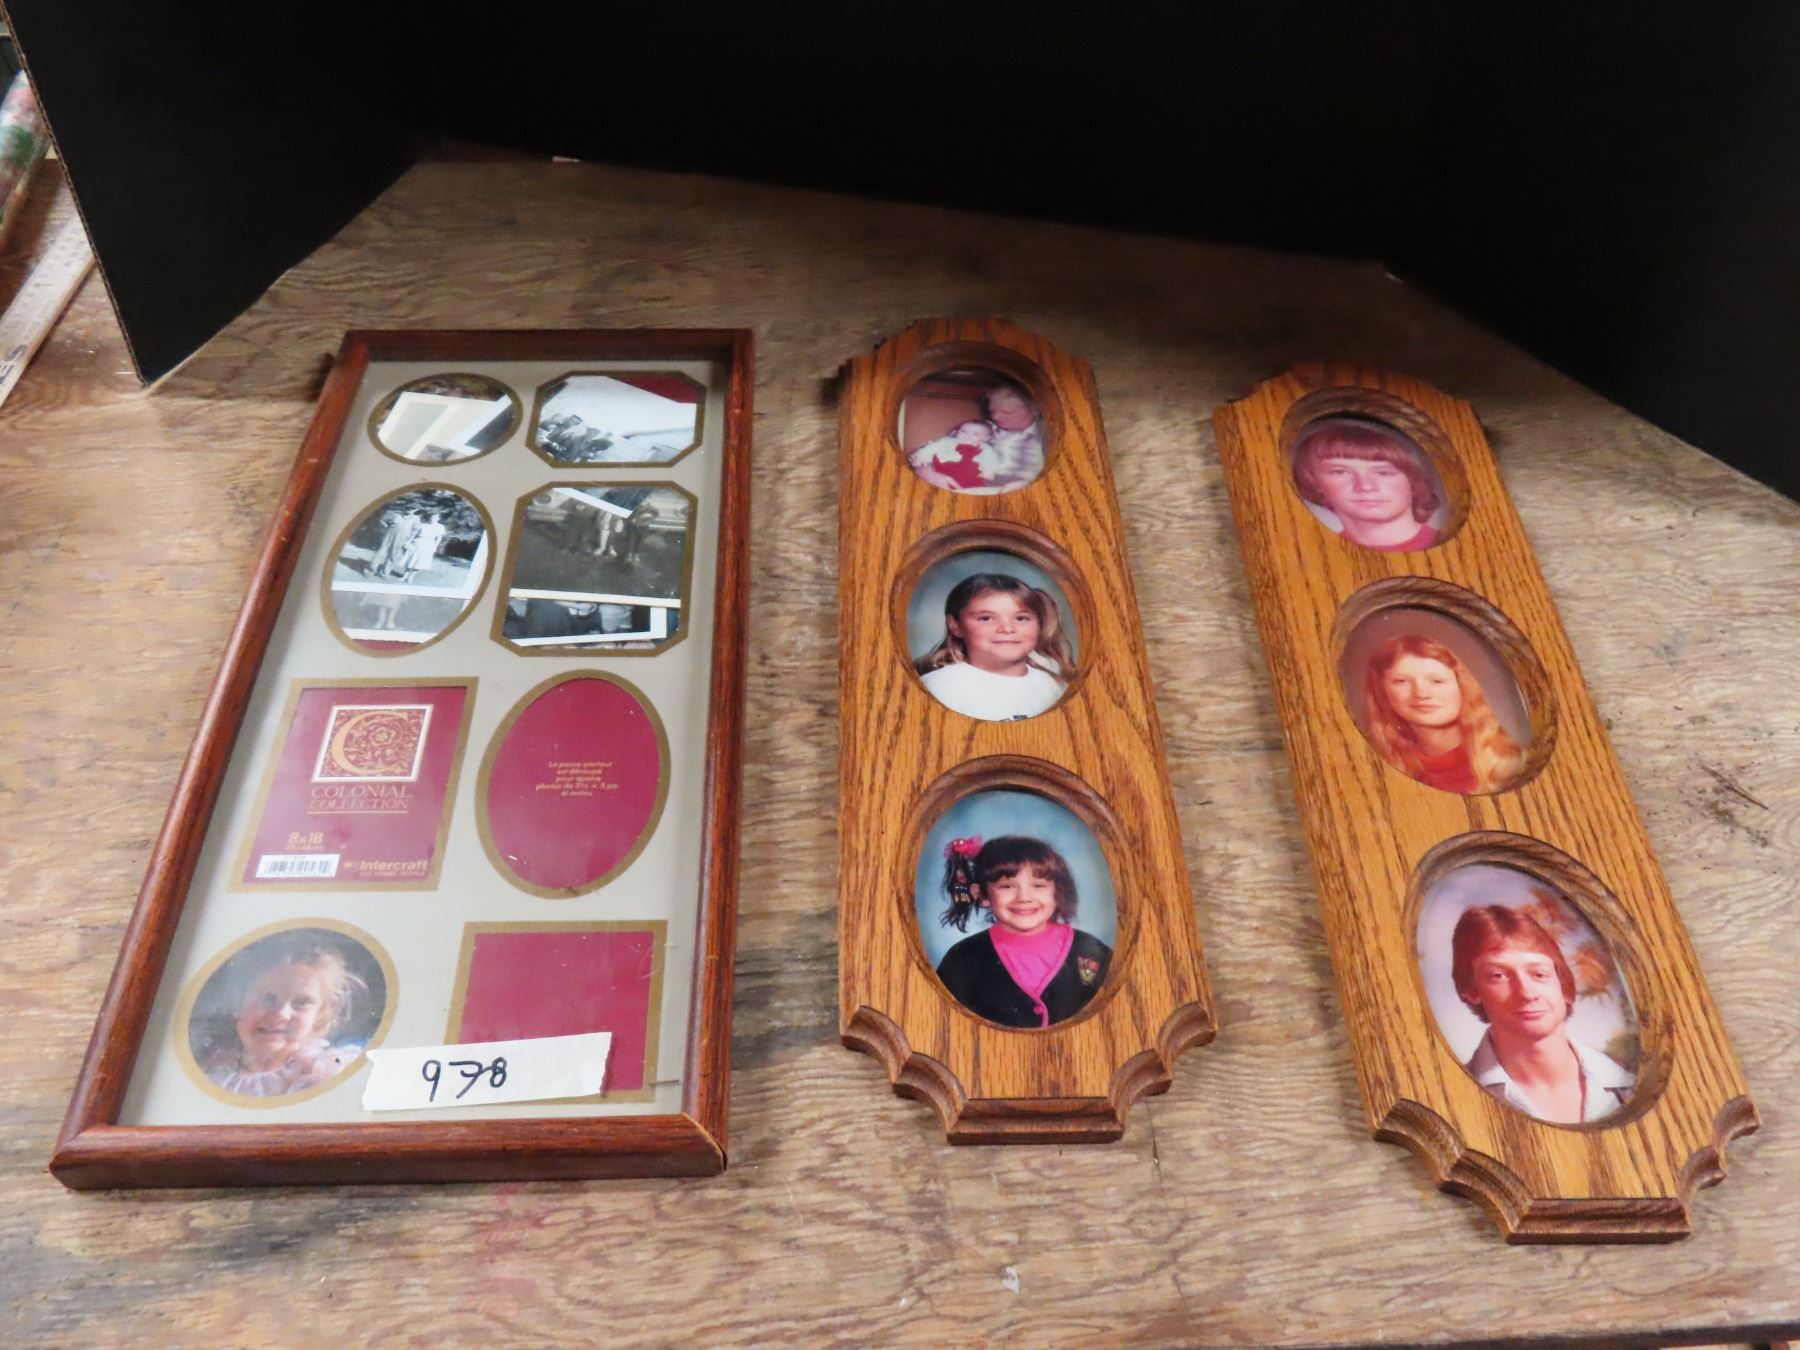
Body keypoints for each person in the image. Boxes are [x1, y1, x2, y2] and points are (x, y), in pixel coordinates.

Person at [1451, 904, 1634, 1123]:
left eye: (1539, 974)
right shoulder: (1456, 1099)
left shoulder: (1631, 1084)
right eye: (1498, 976)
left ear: (1562, 984)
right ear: (1471, 991)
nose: (1527, 993)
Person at [934, 835, 1112, 1028]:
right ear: (982, 894)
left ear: (1057, 891)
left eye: (1038, 885)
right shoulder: (961, 960)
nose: (1024, 897)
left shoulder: (1091, 952)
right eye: (1007, 886)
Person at [195, 934, 368, 1098]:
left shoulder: (326, 1073)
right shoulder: (210, 1078)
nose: (281, 1014)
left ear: (320, 1013)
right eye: (268, 998)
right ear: (238, 1002)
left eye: (302, 1002)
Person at [1362, 634, 1525, 792]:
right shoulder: (1379, 770)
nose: (1421, 693)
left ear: (1462, 686)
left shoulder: (1509, 764)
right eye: (1401, 681)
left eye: (1437, 681)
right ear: (1382, 689)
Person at [914, 573, 1072, 720]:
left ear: (1039, 625)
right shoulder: (939, 688)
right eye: (986, 618)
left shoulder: (1055, 686)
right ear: (955, 626)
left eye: (1021, 618)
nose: (1007, 629)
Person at [1292, 418, 1443, 550]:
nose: (1365, 486)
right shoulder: (1314, 552)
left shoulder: (1443, 547)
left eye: (1384, 473)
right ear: (1314, 482)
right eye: (1340, 472)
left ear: (1413, 481)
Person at [907, 418, 998, 490]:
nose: (967, 435)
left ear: (986, 438)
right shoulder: (947, 441)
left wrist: (989, 471)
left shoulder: (985, 448)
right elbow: (931, 448)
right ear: (957, 431)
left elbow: (991, 459)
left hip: (970, 478)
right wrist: (920, 457)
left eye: (975, 434)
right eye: (963, 431)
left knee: (976, 489)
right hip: (942, 472)